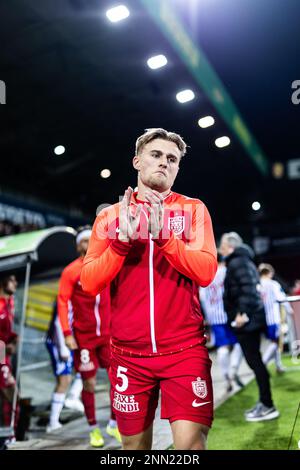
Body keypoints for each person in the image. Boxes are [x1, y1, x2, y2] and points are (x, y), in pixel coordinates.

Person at [81, 128, 217, 450]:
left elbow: (206, 271)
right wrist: (120, 245)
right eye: (156, 155)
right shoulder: (109, 218)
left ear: (178, 168)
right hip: (129, 356)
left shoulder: (193, 210)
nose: (164, 163)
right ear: (137, 161)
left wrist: (166, 239)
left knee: (190, 447)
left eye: (172, 159)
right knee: (134, 451)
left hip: (184, 351)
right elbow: (89, 282)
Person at [58, 226, 121, 447]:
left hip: (107, 335)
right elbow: (62, 302)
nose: (89, 243)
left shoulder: (104, 264)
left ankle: (113, 424)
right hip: (84, 338)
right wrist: (67, 333)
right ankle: (94, 429)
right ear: (79, 245)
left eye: (91, 240)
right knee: (90, 384)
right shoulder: (71, 271)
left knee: (118, 380)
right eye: (84, 241)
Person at [219, 232, 279, 422]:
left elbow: (248, 289)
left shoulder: (238, 262)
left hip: (248, 321)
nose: (220, 248)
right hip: (251, 319)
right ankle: (265, 402)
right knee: (256, 362)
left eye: (222, 244)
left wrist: (241, 315)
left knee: (255, 362)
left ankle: (268, 405)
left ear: (231, 246)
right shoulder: (241, 260)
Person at [200, 255, 243, 393]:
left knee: (222, 347)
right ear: (223, 260)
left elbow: (202, 297)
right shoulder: (226, 271)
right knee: (239, 343)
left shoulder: (207, 275)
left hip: (215, 317)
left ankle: (226, 376)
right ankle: (234, 369)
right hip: (231, 314)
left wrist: (207, 316)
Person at [45, 301, 84, 433]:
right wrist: (63, 348)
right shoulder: (66, 296)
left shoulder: (76, 294)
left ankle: (73, 396)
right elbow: (57, 322)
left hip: (70, 341)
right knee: (64, 380)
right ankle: (53, 422)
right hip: (58, 342)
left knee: (85, 368)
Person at [258, 263, 292, 373]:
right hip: (273, 319)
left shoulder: (257, 285)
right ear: (269, 273)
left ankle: (278, 365)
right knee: (276, 342)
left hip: (262, 319)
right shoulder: (273, 284)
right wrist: (289, 309)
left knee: (273, 342)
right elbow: (281, 298)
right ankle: (262, 364)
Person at [0, 274, 19, 434]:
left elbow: (6, 331)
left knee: (10, 394)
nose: (16, 283)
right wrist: (5, 347)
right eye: (12, 280)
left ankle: (9, 433)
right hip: (1, 353)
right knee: (11, 391)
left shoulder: (9, 302)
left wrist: (14, 338)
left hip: (4, 354)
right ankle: (9, 433)